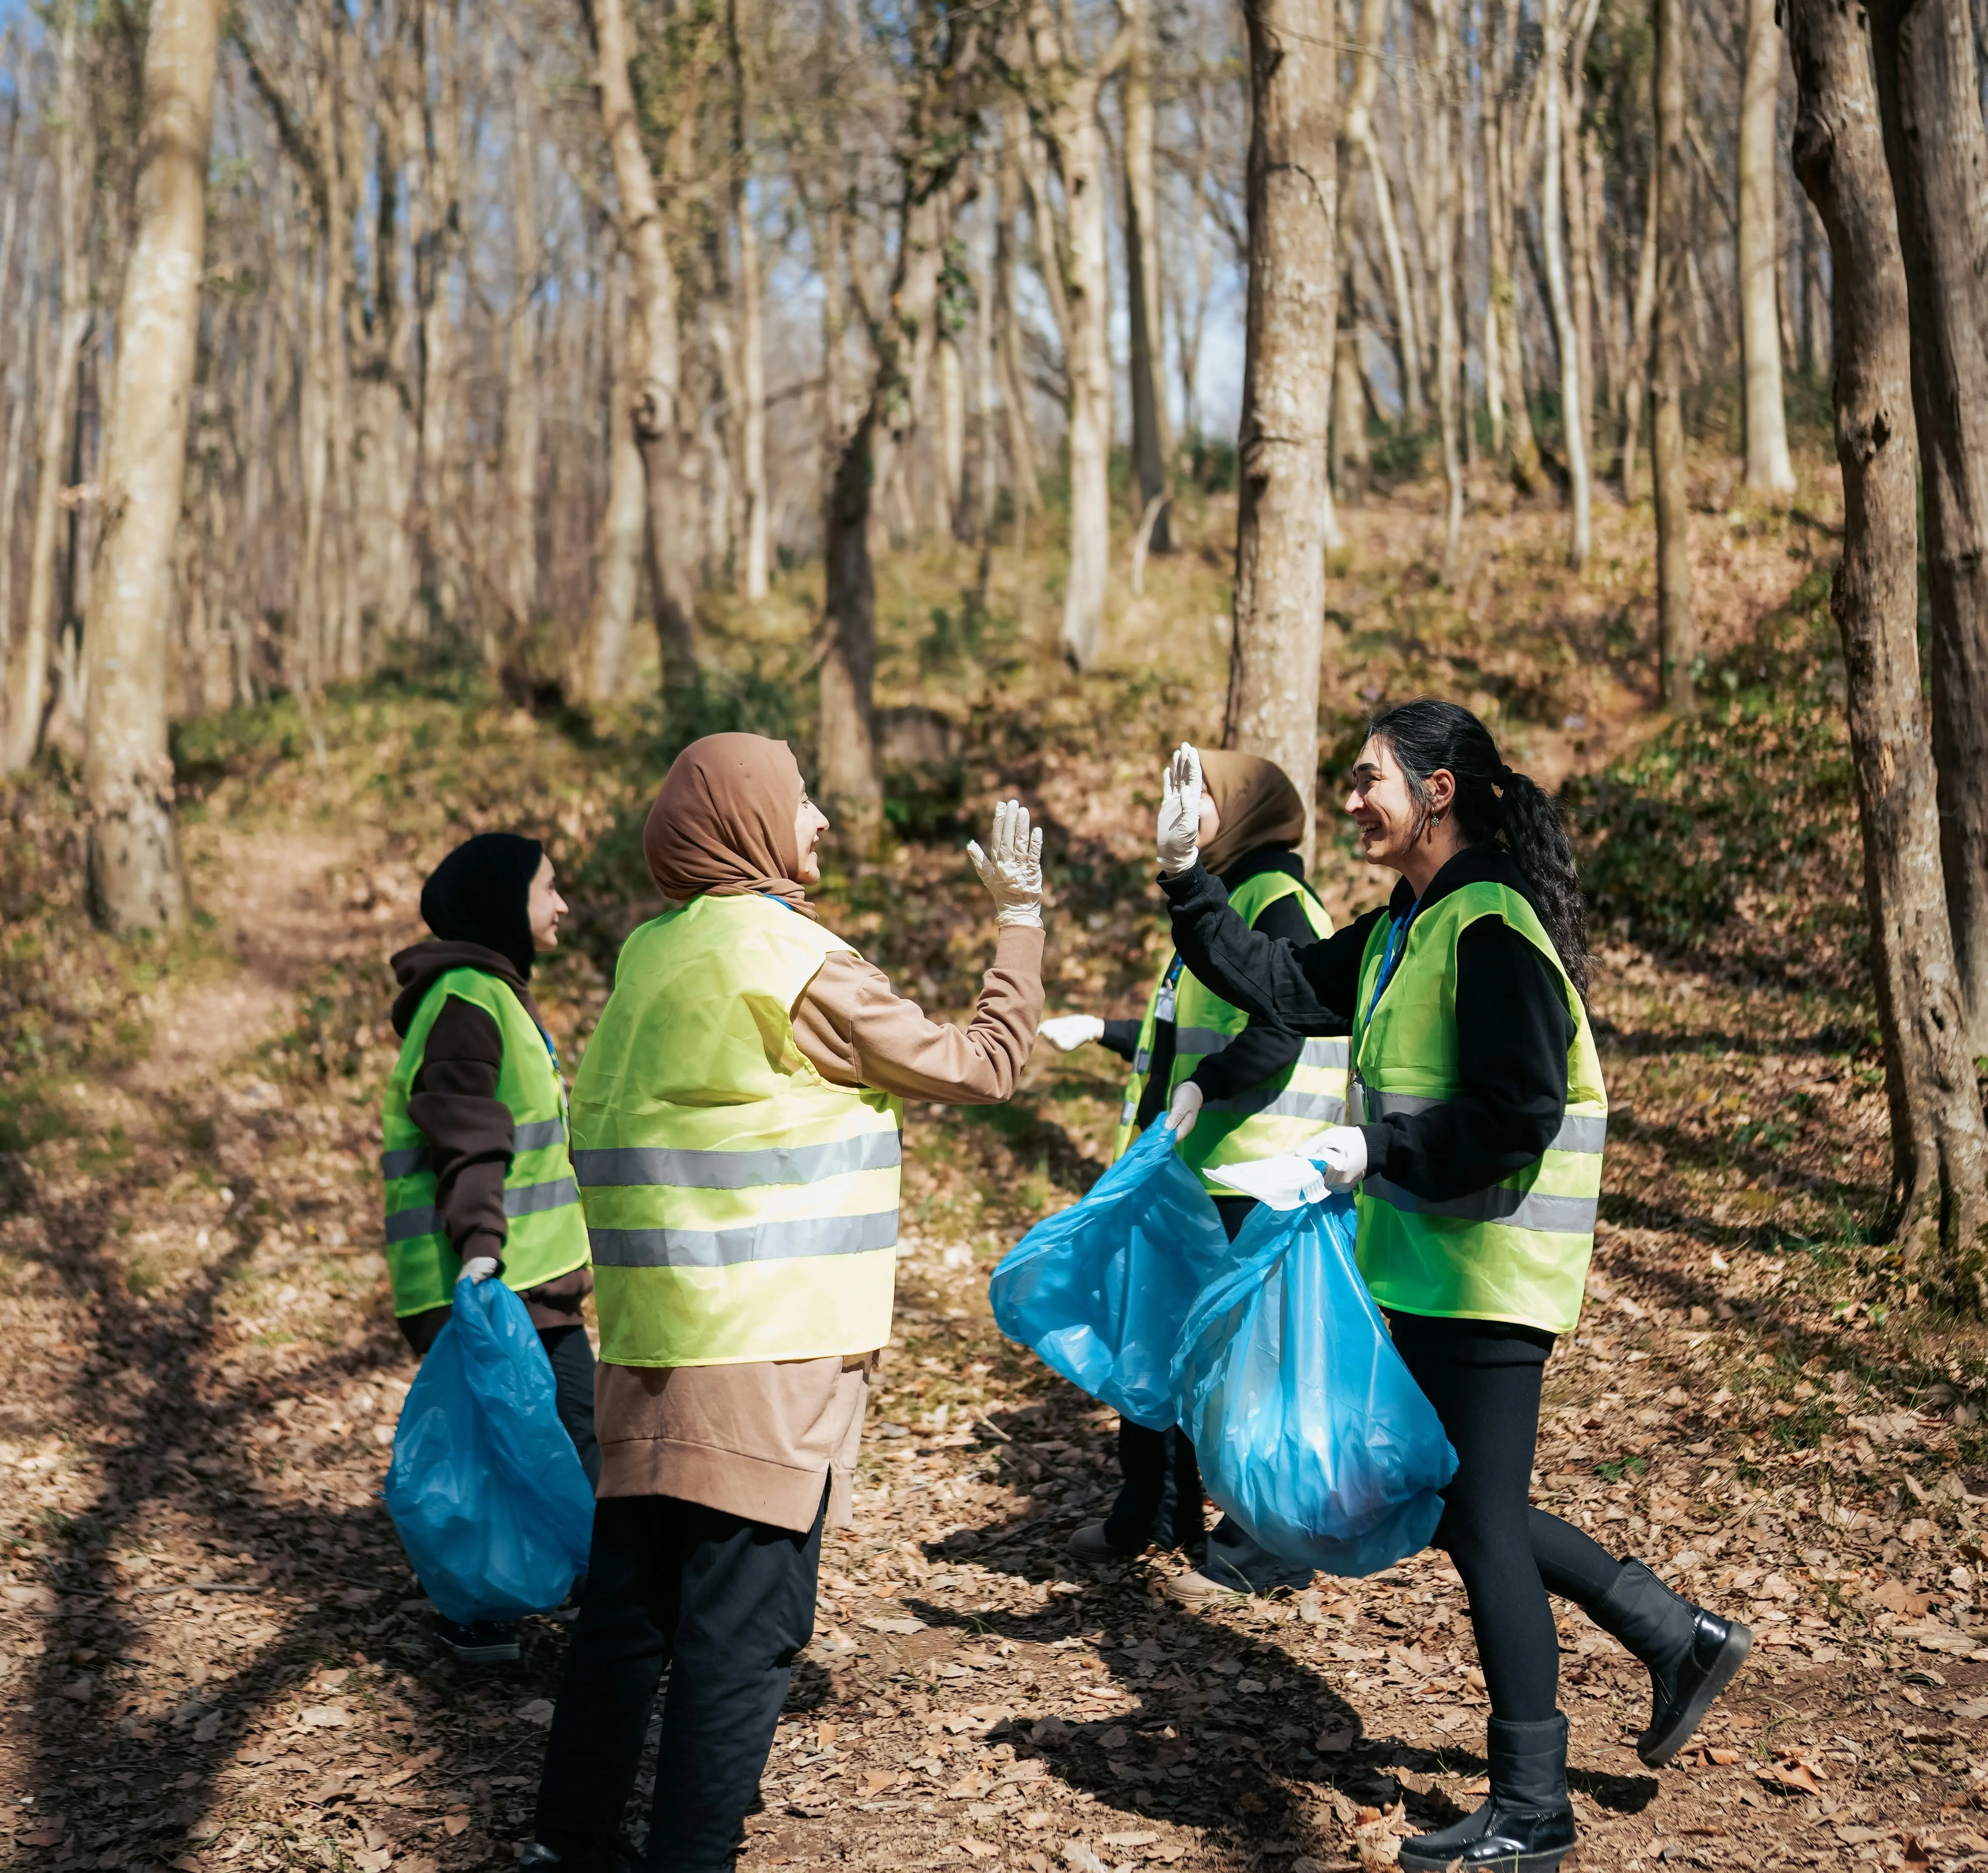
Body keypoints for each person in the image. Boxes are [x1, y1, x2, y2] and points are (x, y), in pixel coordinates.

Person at [1152, 703, 1751, 1873]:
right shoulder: (1401, 930)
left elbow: (1519, 1111)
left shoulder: (1491, 925)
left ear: (1438, 793)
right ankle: (1671, 1634)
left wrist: (1382, 1155)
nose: (1355, 799)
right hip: (1432, 1271)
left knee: (1472, 1523)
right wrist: (1183, 874)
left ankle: (1536, 1804)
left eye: (1371, 779)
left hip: (1489, 1273)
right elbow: (1272, 978)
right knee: (1449, 1508)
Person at [522, 732, 1047, 1873]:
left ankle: (566, 1849)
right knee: (740, 1639)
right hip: (764, 1367)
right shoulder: (796, 960)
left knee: (627, 1622)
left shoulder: (649, 959)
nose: (819, 821)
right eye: (801, 800)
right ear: (750, 824)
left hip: (649, 1354)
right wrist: (1021, 918)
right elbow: (984, 1065)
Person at [1037, 751, 1346, 1602]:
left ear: (1244, 810)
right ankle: (1154, 1511)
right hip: (1197, 1170)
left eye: (1199, 793)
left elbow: (1280, 1029)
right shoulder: (1218, 897)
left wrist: (1207, 1087)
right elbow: (1185, 1027)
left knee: (1246, 1365)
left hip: (1255, 1173)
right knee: (1156, 1343)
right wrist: (1098, 1026)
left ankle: (1267, 1543)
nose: (1178, 805)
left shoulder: (1278, 903)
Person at [382, 832, 598, 1666]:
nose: (562, 904)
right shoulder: (470, 996)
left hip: (500, 1275)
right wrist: (480, 1248)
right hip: (497, 1279)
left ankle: (478, 1617)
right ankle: (620, 1612)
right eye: (549, 888)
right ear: (504, 902)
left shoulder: (484, 994)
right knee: (579, 1435)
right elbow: (466, 1131)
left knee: (494, 1451)